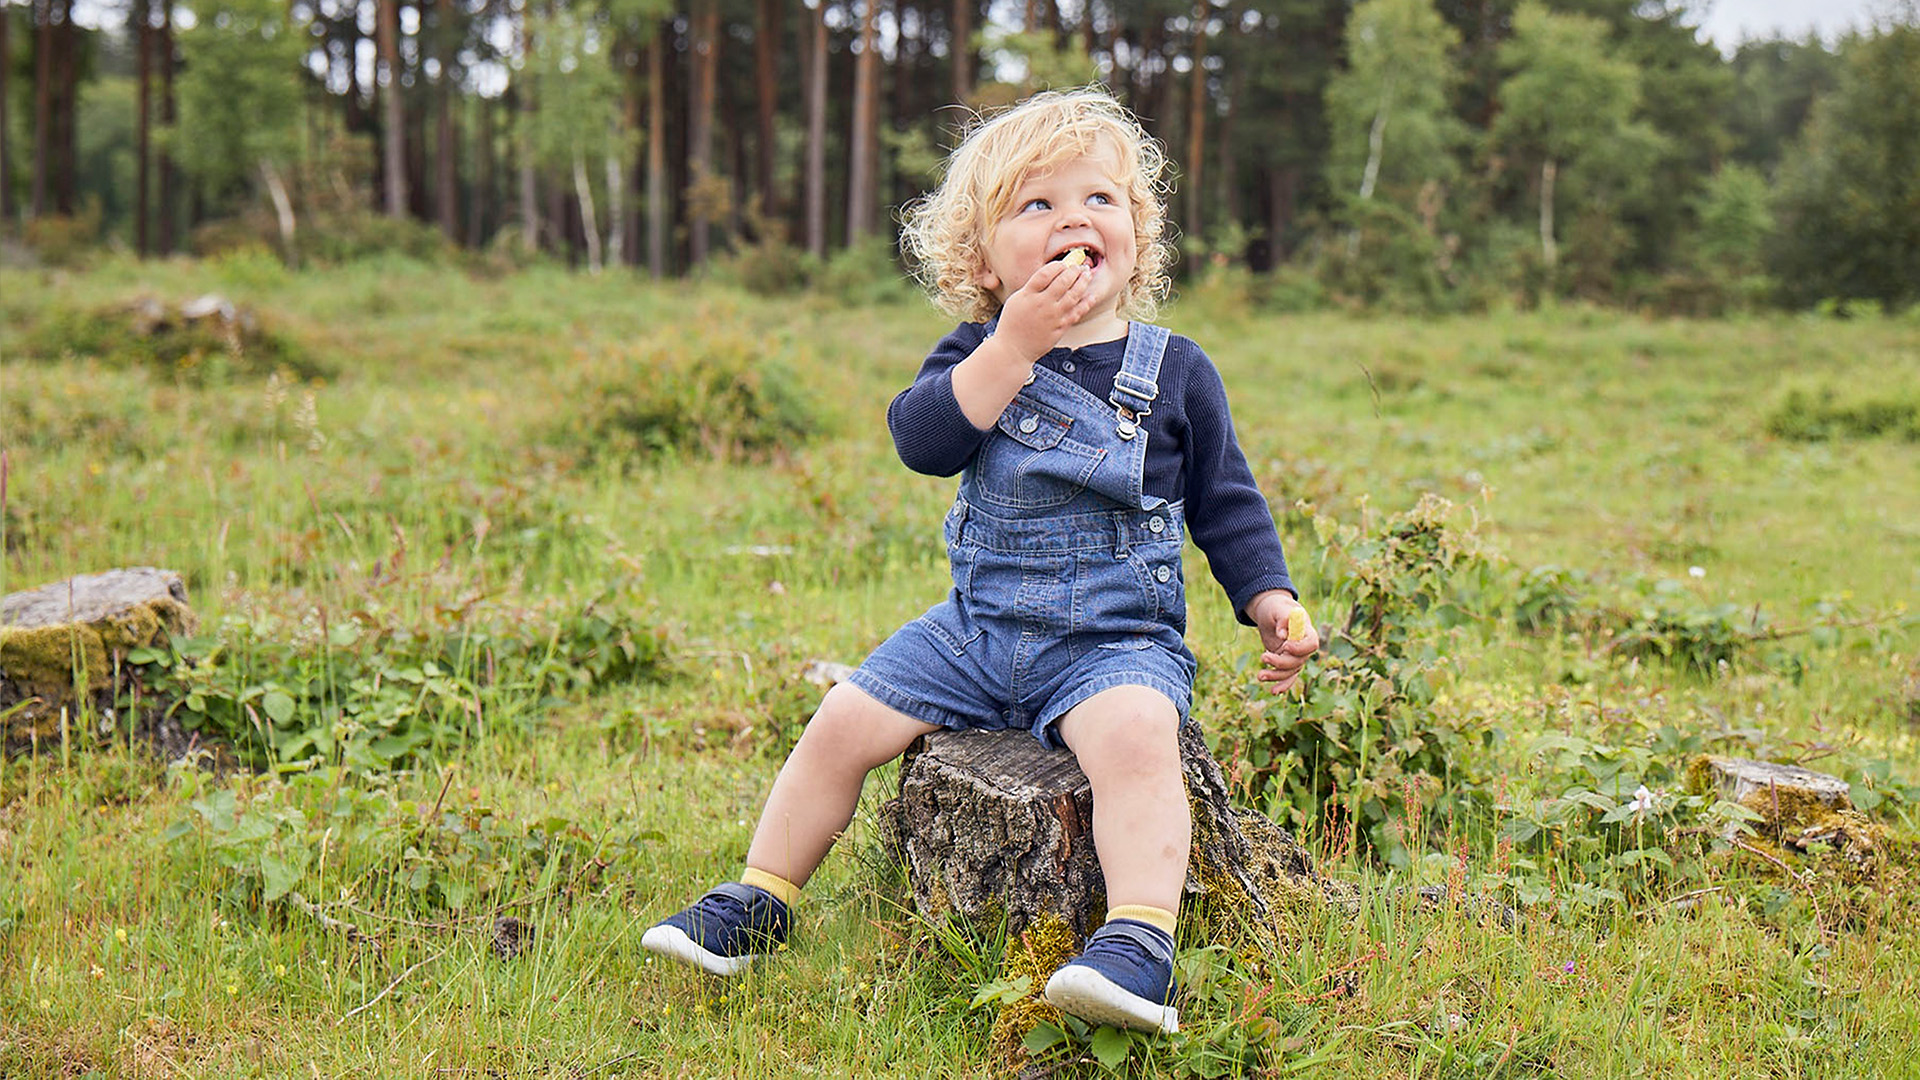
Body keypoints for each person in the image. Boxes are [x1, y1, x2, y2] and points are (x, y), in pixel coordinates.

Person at [642, 88, 1318, 1035]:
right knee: (841, 721)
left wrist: (1270, 598)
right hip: (975, 631)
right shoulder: (976, 350)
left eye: (1100, 201)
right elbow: (923, 440)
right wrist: (1014, 345)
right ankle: (760, 897)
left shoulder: (1176, 369)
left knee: (1137, 743)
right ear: (983, 257)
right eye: (1036, 206)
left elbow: (1227, 500)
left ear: (1138, 236)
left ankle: (1138, 941)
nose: (1074, 219)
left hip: (1113, 641)